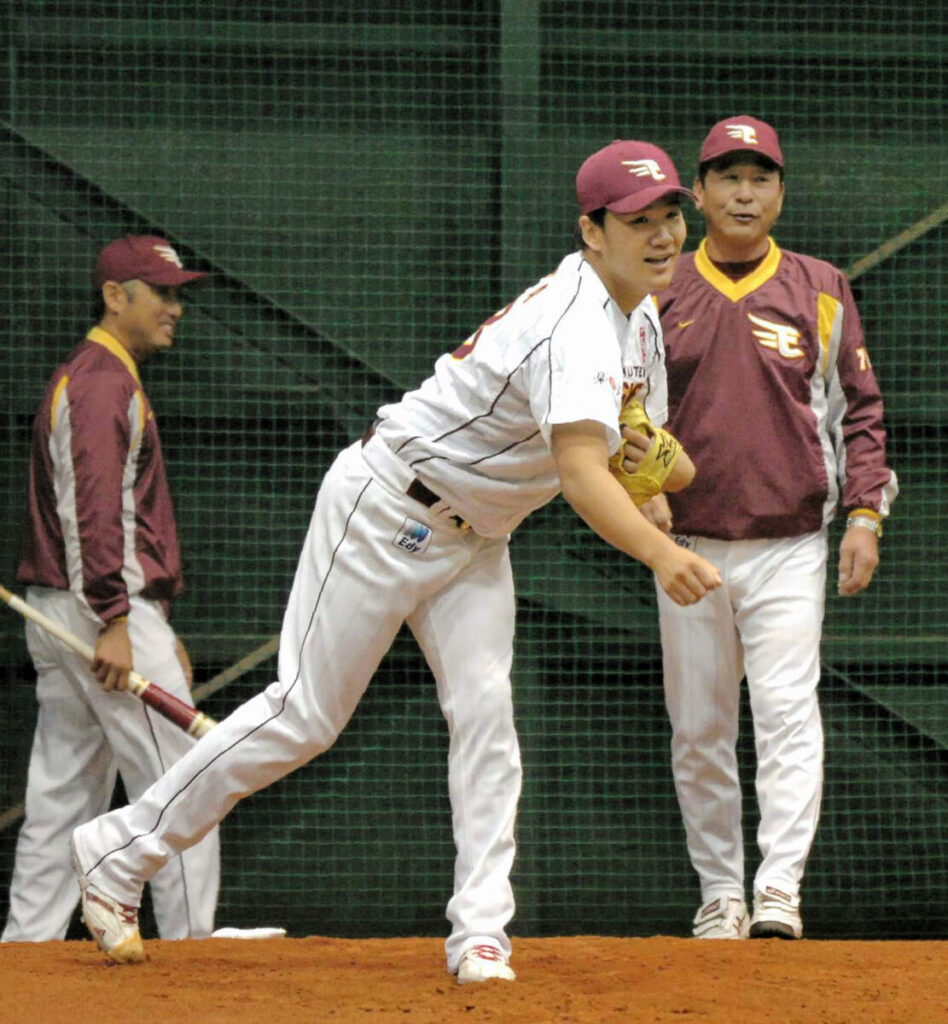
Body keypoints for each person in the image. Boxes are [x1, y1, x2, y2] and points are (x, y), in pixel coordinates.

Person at [69, 140, 722, 979]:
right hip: (389, 508)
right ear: (592, 232)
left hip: (476, 539)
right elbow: (582, 475)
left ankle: (481, 932)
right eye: (639, 221)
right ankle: (120, 851)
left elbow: (645, 456)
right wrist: (661, 552)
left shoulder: (639, 321)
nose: (663, 234)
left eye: (671, 215)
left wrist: (661, 481)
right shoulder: (575, 323)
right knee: (303, 716)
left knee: (487, 718)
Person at [650, 116, 899, 940]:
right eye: (728, 177)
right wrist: (637, 496)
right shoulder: (660, 288)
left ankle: (779, 890)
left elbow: (861, 412)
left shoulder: (821, 287)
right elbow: (620, 409)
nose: (744, 193)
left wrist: (864, 515)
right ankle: (721, 893)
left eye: (760, 178)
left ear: (782, 193)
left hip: (792, 542)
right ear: (698, 192)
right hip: (686, 547)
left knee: (789, 714)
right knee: (700, 728)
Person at [3, 236, 220, 943]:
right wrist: (117, 618)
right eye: (162, 293)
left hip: (70, 604)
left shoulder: (96, 377)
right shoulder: (102, 384)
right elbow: (92, 511)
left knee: (62, 796)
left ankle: (25, 954)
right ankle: (189, 950)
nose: (175, 308)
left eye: (179, 294)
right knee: (185, 781)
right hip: (98, 604)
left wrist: (145, 619)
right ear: (115, 295)